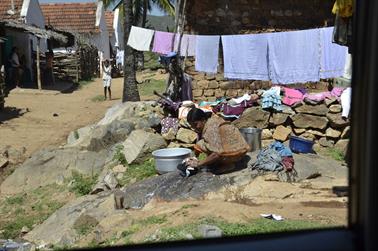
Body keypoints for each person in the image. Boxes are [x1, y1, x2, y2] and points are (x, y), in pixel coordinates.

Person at [184, 107, 250, 175]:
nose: (194, 128)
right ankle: (223, 161)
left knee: (204, 147)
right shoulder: (212, 119)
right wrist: (196, 158)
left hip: (235, 154)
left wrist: (198, 164)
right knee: (200, 144)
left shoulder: (210, 129)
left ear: (203, 120)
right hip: (241, 150)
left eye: (195, 124)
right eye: (192, 126)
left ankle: (228, 165)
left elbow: (217, 154)